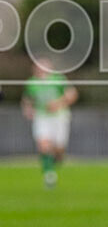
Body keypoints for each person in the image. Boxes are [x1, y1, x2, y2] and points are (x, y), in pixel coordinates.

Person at [22, 58, 78, 187]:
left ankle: (56, 160)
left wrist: (58, 104)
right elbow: (27, 100)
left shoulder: (58, 79)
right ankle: (49, 176)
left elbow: (72, 95)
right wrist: (28, 110)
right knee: (43, 145)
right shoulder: (31, 83)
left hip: (59, 117)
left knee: (59, 150)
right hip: (42, 117)